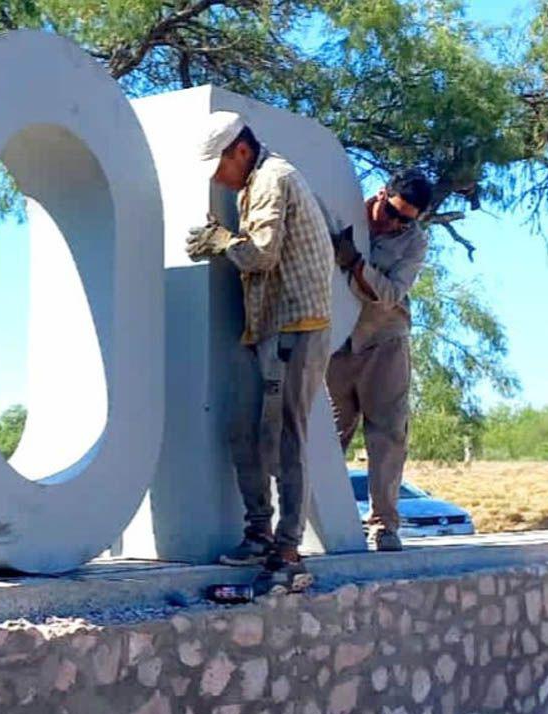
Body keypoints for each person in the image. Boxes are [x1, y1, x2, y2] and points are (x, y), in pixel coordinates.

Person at [185, 111, 333, 595]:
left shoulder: (273, 178)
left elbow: (263, 254)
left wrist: (222, 240)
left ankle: (287, 550)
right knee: (243, 433)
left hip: (296, 329)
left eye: (219, 167)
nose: (218, 180)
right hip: (268, 329)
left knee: (287, 439)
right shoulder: (256, 183)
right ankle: (259, 532)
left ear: (241, 152)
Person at [326, 169, 432, 551]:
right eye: (393, 212)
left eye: (406, 220)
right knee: (327, 436)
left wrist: (355, 263)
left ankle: (384, 525)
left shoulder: (415, 243)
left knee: (387, 436)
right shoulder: (346, 210)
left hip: (384, 342)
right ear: (382, 194)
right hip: (336, 343)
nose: (395, 224)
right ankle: (318, 522)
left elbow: (388, 293)